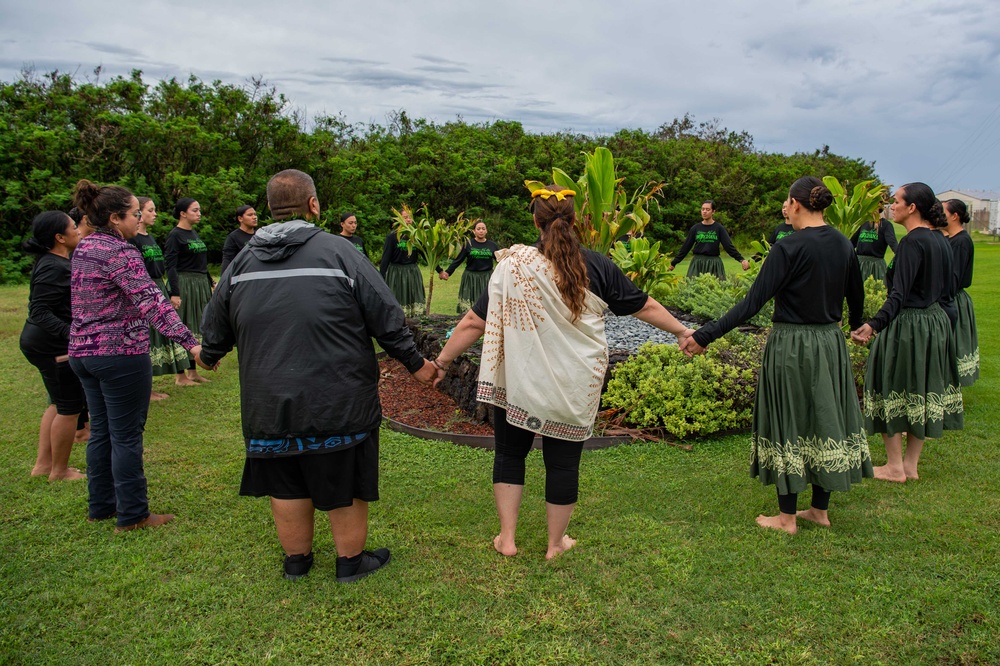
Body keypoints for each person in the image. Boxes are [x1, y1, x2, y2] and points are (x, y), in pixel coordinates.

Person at [200, 169, 437, 582]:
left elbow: (214, 333)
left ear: (271, 208)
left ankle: (297, 561)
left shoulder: (241, 262)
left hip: (268, 403)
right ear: (313, 205)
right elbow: (386, 316)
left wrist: (208, 355)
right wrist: (418, 366)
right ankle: (350, 562)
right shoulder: (340, 252)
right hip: (338, 399)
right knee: (343, 472)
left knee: (285, 476)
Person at [432, 185, 692, 559]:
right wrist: (683, 331)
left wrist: (441, 363)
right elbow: (644, 305)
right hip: (574, 382)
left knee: (509, 454)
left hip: (519, 380)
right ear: (574, 221)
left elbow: (474, 322)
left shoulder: (513, 267)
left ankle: (507, 538)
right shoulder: (596, 265)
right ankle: (556, 544)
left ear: (535, 221)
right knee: (564, 461)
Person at [681, 177, 871, 534]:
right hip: (830, 344)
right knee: (822, 417)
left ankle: (786, 518)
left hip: (792, 345)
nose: (786, 207)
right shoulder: (844, 244)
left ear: (796, 204)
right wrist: (859, 325)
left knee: (789, 419)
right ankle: (819, 510)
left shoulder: (788, 248)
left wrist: (704, 335)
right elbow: (855, 297)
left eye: (787, 201)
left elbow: (753, 303)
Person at [68, 179, 203, 532]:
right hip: (119, 354)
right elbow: (152, 303)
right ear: (115, 218)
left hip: (83, 352)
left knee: (102, 432)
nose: (139, 219)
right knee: (126, 434)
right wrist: (191, 343)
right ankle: (132, 514)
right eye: (134, 214)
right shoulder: (121, 252)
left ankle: (101, 506)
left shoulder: (84, 247)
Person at [852, 183, 963, 483]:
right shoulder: (942, 240)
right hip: (934, 322)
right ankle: (910, 465)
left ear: (912, 207)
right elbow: (949, 289)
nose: (892, 206)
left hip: (910, 324)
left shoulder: (913, 242)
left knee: (891, 384)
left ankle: (895, 466)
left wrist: (874, 324)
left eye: (897, 201)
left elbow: (898, 295)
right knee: (920, 389)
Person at [19, 211, 87, 482]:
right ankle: (59, 471)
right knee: (70, 406)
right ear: (60, 237)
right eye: (73, 227)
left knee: (58, 403)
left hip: (44, 342)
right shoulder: (53, 266)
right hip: (51, 346)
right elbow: (40, 311)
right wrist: (71, 335)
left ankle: (43, 465)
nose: (78, 230)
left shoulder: (55, 261)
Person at [129, 197, 189, 396]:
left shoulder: (149, 237)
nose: (154, 214)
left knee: (162, 335)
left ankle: (176, 377)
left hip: (157, 286)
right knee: (147, 338)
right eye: (150, 210)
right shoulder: (132, 240)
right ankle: (147, 389)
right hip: (144, 290)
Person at [163, 198, 213, 384]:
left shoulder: (193, 233)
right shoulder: (175, 235)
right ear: (183, 213)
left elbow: (201, 262)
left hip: (199, 284)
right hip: (185, 284)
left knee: (196, 325)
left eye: (199, 210)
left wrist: (210, 281)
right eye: (195, 210)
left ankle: (193, 372)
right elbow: (171, 266)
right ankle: (180, 375)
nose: (199, 213)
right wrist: (174, 292)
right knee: (184, 324)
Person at [944, 199, 978, 386]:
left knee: (954, 343)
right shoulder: (950, 239)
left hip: (954, 299)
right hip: (950, 297)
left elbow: (954, 279)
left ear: (955, 216)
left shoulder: (961, 242)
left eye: (944, 212)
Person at [669, 200, 750, 278]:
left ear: (713, 212)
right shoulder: (695, 228)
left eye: (707, 209)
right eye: (703, 209)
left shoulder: (719, 228)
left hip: (714, 264)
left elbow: (728, 246)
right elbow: (686, 247)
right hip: (698, 263)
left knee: (715, 289)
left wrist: (741, 260)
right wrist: (674, 263)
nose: (704, 211)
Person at [439, 220, 499, 312]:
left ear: (486, 231)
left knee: (487, 303)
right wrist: (447, 272)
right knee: (469, 305)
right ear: (474, 231)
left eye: (483, 228)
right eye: (478, 229)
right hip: (470, 277)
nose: (481, 231)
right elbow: (458, 260)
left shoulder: (492, 245)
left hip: (487, 277)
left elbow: (501, 260)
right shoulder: (468, 244)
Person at [379, 209, 425, 317]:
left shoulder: (417, 236)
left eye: (410, 217)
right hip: (397, 273)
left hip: (413, 271)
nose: (408, 220)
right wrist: (380, 278)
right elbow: (385, 259)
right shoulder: (392, 237)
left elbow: (425, 255)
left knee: (414, 300)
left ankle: (414, 323)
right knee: (398, 300)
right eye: (405, 217)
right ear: (398, 219)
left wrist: (440, 270)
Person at [850, 212, 898, 283]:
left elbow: (893, 244)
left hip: (876, 267)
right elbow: (850, 244)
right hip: (859, 265)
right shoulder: (862, 223)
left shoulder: (886, 225)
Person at [220, 205, 258, 274]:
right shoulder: (233, 237)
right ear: (240, 218)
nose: (254, 217)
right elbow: (227, 260)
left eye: (255, 214)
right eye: (250, 215)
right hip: (242, 275)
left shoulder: (259, 235)